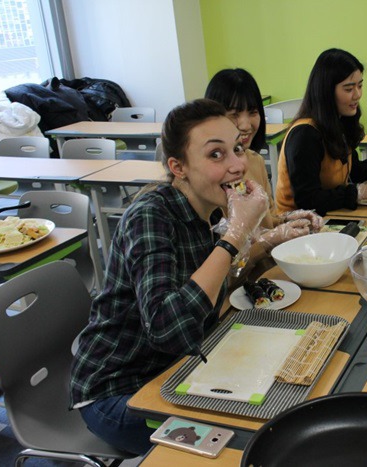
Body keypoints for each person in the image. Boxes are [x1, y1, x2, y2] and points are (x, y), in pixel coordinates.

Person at [69, 99, 287, 455]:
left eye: (238, 149)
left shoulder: (206, 210)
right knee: (251, 440)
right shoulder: (150, 216)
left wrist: (258, 237)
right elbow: (169, 329)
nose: (237, 166)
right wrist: (234, 236)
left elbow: (209, 293)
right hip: (118, 394)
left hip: (176, 371)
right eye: (216, 155)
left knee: (275, 394)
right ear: (178, 167)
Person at [274, 48, 367, 215]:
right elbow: (307, 199)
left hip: (330, 217)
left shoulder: (339, 122)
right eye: (348, 89)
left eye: (360, 86)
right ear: (326, 92)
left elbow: (351, 170)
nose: (357, 95)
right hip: (297, 226)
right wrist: (359, 192)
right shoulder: (305, 135)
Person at [204, 68, 323, 233]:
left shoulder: (255, 161)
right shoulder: (210, 175)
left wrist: (287, 220)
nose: (246, 125)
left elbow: (267, 220)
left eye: (253, 112)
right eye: (234, 114)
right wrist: (270, 240)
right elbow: (226, 248)